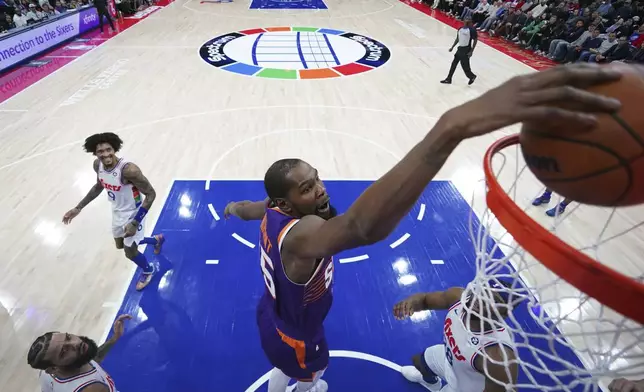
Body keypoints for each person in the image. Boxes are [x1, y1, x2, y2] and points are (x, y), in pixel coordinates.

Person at [224, 63, 625, 391]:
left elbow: (246, 208)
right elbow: (361, 227)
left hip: (274, 313)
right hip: (296, 332)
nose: (320, 189)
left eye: (317, 178)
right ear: (285, 202)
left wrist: (231, 208)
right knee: (312, 374)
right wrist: (450, 128)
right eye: (307, 188)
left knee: (287, 367)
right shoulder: (305, 233)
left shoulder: (269, 211)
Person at [62, 133, 164, 291]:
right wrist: (78, 207)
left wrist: (135, 222)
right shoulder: (98, 165)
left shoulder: (129, 170)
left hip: (134, 212)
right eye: (100, 151)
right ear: (95, 153)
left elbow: (151, 194)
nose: (105, 154)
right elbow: (99, 186)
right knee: (121, 245)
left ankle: (148, 270)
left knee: (130, 252)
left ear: (115, 149)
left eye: (108, 149)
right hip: (117, 211)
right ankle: (156, 240)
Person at [393, 280, 520, 391]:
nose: (481, 300)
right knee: (419, 361)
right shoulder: (458, 297)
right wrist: (411, 302)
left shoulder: (498, 357)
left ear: (504, 314)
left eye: (492, 301)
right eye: (483, 292)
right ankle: (431, 383)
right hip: (450, 360)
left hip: (465, 388)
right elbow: (425, 299)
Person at [28, 314, 131, 392]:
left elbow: (94, 358)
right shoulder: (92, 388)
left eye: (68, 337)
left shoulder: (46, 373)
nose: (76, 343)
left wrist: (115, 337)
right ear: (53, 368)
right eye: (64, 351)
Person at [441, 17, 478, 85]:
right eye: (466, 20)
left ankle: (472, 76)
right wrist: (452, 47)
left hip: (466, 49)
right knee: (454, 64)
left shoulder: (472, 30)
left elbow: (475, 40)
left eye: (468, 20)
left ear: (470, 22)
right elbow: (458, 38)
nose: (466, 21)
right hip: (460, 49)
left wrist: (471, 51)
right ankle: (449, 79)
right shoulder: (460, 29)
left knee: (465, 66)